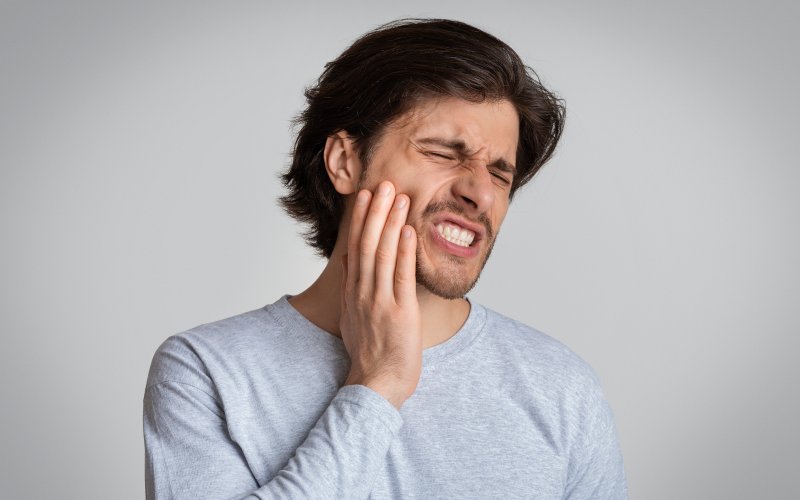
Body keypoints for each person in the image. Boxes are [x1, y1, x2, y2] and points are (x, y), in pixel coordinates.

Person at [143, 18, 627, 499]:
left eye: (500, 175)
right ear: (345, 162)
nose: (481, 192)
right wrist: (378, 384)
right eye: (442, 152)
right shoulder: (206, 371)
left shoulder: (562, 388)